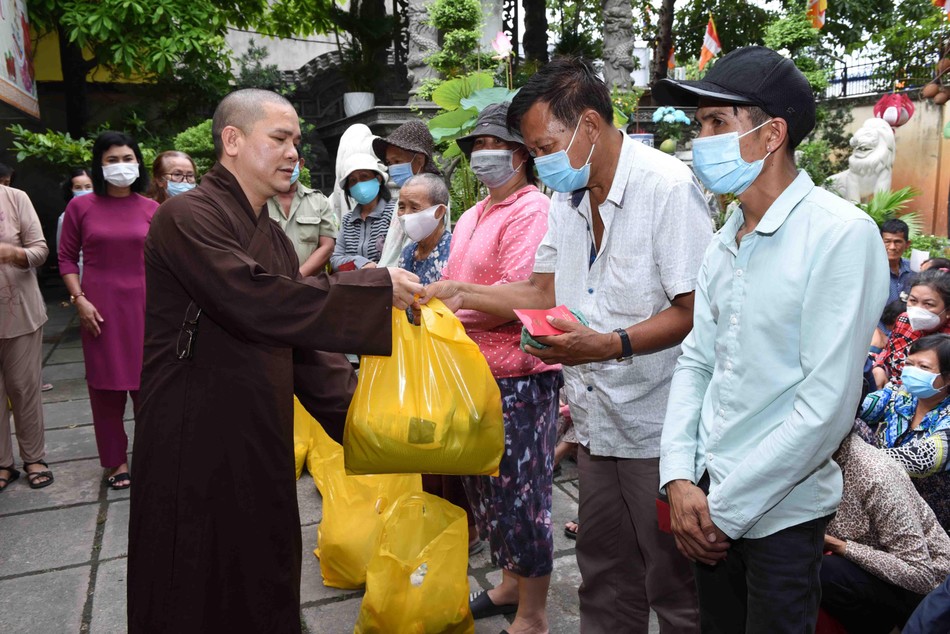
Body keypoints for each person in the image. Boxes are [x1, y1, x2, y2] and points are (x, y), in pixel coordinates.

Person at [425, 59, 711, 633]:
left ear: (589, 126)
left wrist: (608, 344)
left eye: (544, 146)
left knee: (674, 583)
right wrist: (462, 292)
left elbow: (694, 311)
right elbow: (541, 290)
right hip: (595, 420)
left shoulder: (667, 189)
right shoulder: (568, 196)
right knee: (603, 572)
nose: (540, 161)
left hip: (657, 424)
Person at [126, 89, 422, 633]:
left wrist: (375, 429)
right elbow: (253, 298)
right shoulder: (184, 217)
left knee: (262, 566)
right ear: (232, 141)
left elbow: (305, 345)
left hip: (259, 430)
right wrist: (373, 287)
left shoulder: (275, 239)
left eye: (297, 142)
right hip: (194, 433)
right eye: (280, 139)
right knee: (190, 574)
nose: (293, 153)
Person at [652, 45, 889, 633]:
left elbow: (824, 409)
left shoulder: (840, 234)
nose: (700, 141)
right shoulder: (726, 235)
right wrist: (679, 476)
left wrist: (724, 512)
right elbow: (696, 363)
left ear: (771, 134)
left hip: (780, 515)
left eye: (716, 122)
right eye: (699, 124)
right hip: (706, 497)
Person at [426, 101, 559, 633]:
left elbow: (528, 295)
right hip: (472, 374)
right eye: (478, 145)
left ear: (522, 154)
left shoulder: (532, 210)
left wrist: (458, 295)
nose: (484, 154)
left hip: (519, 379)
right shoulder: (473, 214)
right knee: (487, 491)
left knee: (523, 497)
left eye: (495, 145)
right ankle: (508, 584)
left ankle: (533, 612)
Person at [59, 131, 159, 491]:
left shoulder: (152, 209)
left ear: (139, 163)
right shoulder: (80, 207)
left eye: (127, 159)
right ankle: (116, 461)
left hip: (146, 309)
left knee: (150, 388)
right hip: (98, 310)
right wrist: (79, 299)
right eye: (112, 160)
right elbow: (66, 258)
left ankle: (152, 457)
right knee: (106, 388)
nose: (121, 166)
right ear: (99, 166)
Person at [820, 433, 950, 633]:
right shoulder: (821, 465)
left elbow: (921, 575)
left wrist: (840, 546)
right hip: (877, 569)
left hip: (929, 593)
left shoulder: (874, 474)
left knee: (826, 572)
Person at [859, 334, 950, 529]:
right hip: (881, 493)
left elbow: (924, 460)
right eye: (909, 364)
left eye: (924, 367)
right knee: (851, 423)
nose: (912, 371)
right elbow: (859, 408)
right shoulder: (900, 395)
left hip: (926, 514)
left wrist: (862, 458)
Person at [0, 184, 52, 490]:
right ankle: (3, 463)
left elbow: (40, 251)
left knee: (23, 387)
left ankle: (34, 458)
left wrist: (13, 253)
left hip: (19, 312)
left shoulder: (14, 198)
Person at [372, 120, 442, 267]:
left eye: (397, 161)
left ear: (420, 160)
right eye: (389, 163)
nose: (392, 168)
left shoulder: (433, 198)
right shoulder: (405, 196)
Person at [872, 269, 950, 389]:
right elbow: (888, 351)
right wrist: (879, 367)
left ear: (948, 311)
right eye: (913, 301)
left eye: (928, 304)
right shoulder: (904, 321)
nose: (918, 309)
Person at [267, 157, 338, 276]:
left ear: (301, 164)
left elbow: (327, 246)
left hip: (309, 284)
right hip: (269, 282)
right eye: (280, 161)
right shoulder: (259, 201)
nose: (286, 167)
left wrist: (298, 277)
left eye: (291, 161)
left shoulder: (319, 201)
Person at [329, 153, 393, 272]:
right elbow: (335, 262)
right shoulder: (348, 221)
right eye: (353, 180)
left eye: (364, 176)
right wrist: (358, 263)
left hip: (386, 281)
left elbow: (396, 256)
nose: (359, 184)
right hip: (353, 283)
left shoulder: (393, 213)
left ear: (378, 179)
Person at [57, 168, 93, 279]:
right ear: (71, 189)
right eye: (78, 188)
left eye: (88, 187)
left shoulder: (105, 212)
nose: (84, 191)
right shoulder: (66, 217)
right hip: (80, 273)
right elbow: (63, 253)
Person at [882, 219, 912, 304]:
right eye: (887, 242)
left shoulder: (914, 269)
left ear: (907, 244)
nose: (892, 247)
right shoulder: (870, 271)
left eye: (897, 242)